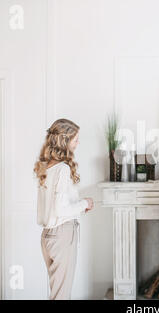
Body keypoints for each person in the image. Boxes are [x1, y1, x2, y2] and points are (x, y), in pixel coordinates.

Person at [33, 118, 94, 300]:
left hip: (47, 236)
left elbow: (55, 205)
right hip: (62, 234)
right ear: (64, 140)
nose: (78, 143)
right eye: (75, 139)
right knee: (61, 295)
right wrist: (85, 203)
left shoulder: (46, 167)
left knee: (57, 292)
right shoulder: (62, 169)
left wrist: (79, 205)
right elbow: (61, 210)